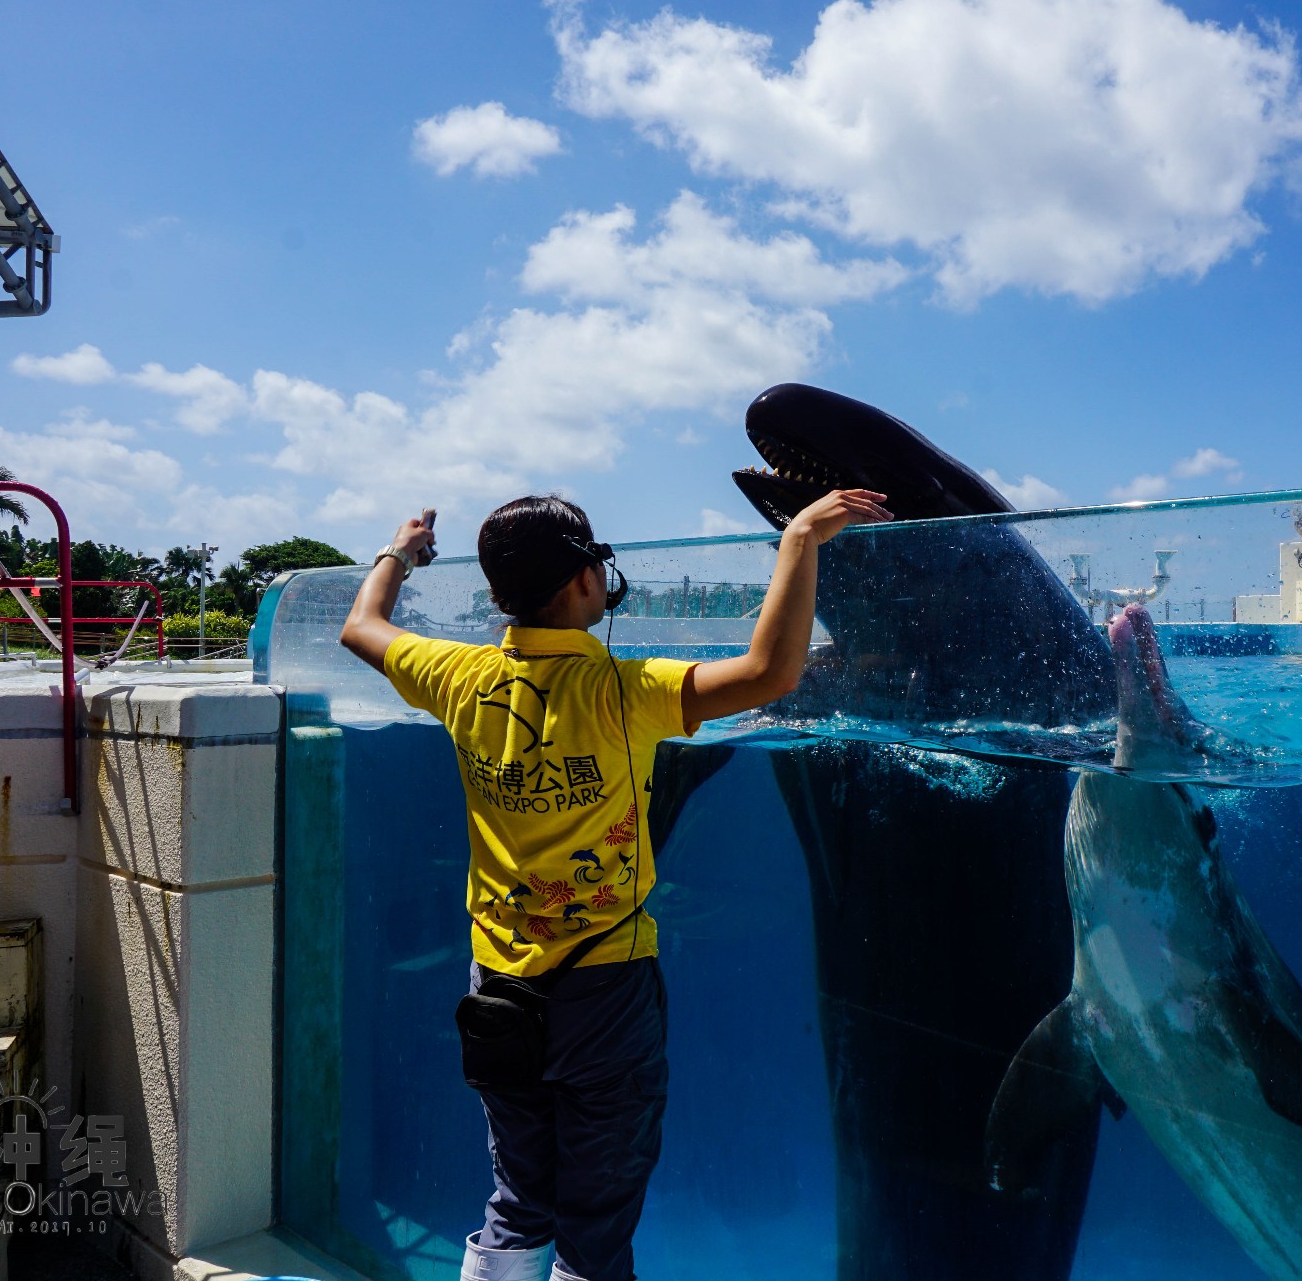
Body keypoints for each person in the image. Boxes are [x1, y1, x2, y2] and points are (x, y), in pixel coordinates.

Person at [339, 486, 890, 1281]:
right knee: (595, 1219)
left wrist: (400, 550)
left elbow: (361, 626)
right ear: (583, 583)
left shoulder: (456, 676)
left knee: (517, 1196)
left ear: (500, 594)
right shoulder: (625, 694)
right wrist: (801, 537)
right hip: (604, 991)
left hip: (495, 987)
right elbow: (772, 672)